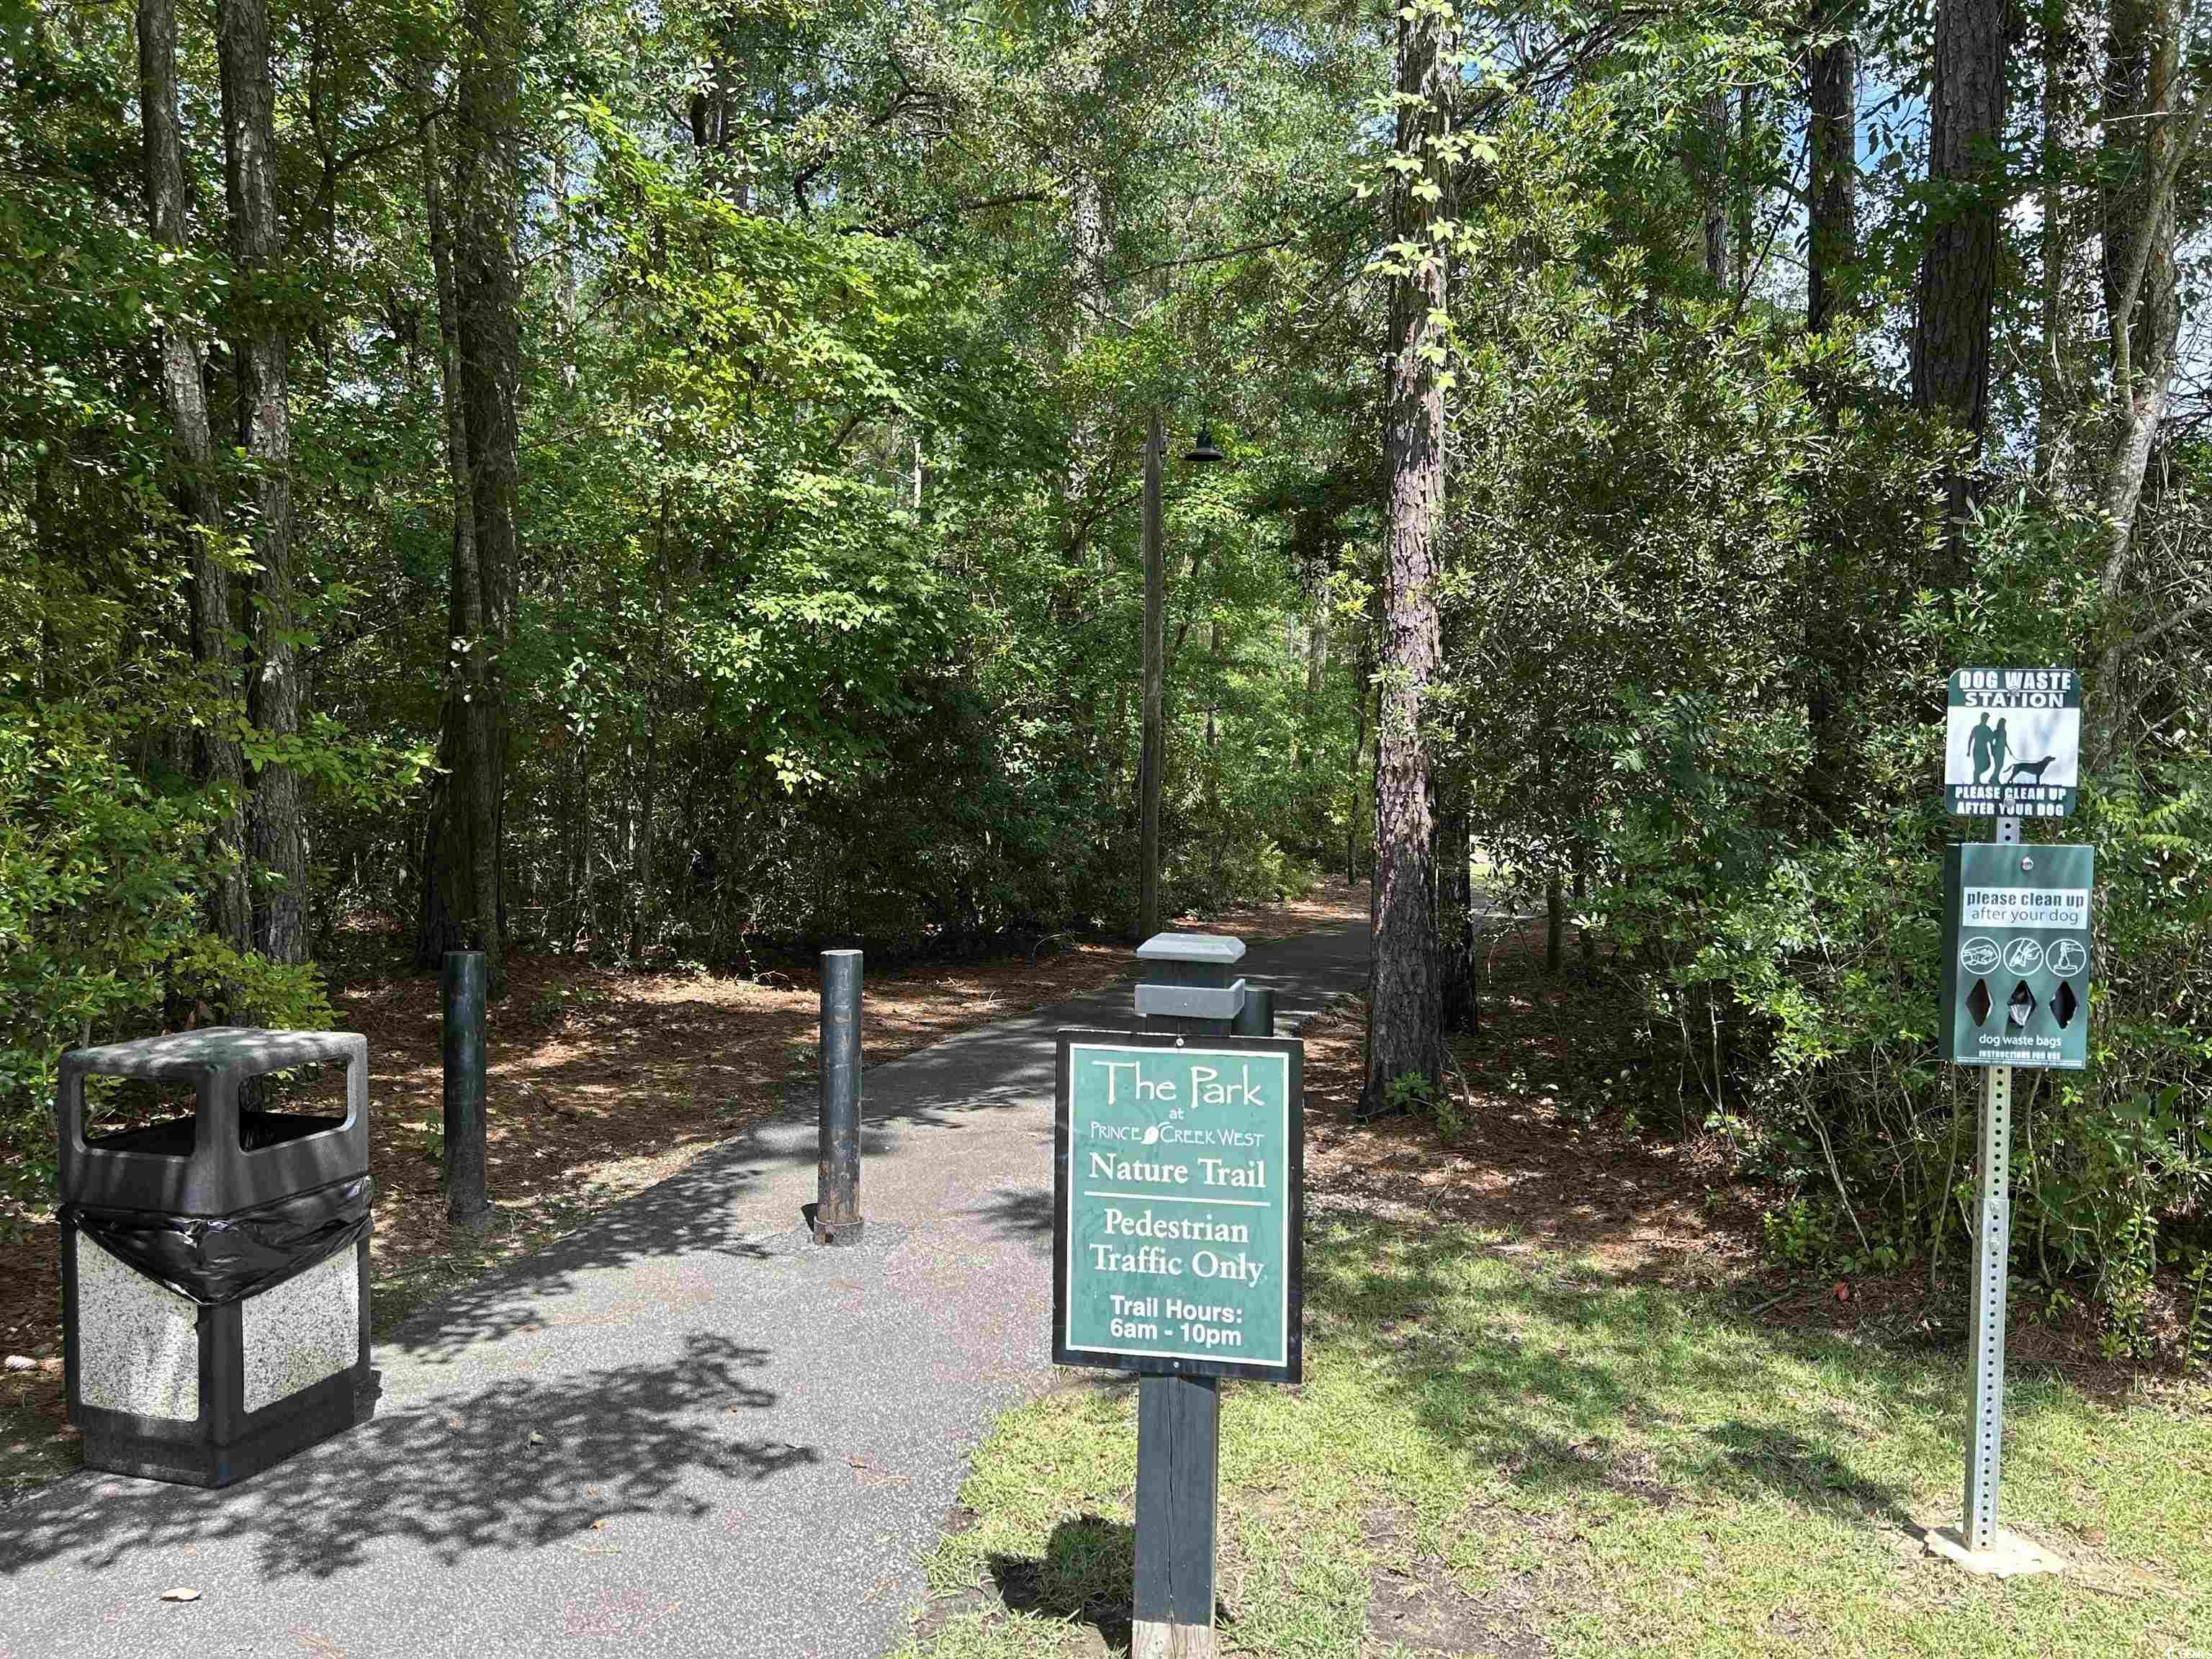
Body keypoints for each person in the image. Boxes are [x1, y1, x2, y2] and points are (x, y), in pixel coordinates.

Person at [1969, 713, 1996, 783]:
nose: (1986, 720)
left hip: (1984, 749)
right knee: (1978, 766)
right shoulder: (1976, 728)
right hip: (1977, 749)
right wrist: (1969, 750)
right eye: (1985, 718)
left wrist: (1992, 750)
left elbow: (1990, 740)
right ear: (1982, 718)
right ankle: (1976, 781)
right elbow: (1971, 739)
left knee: (1987, 764)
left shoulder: (1987, 729)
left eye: (1987, 719)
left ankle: (1976, 779)